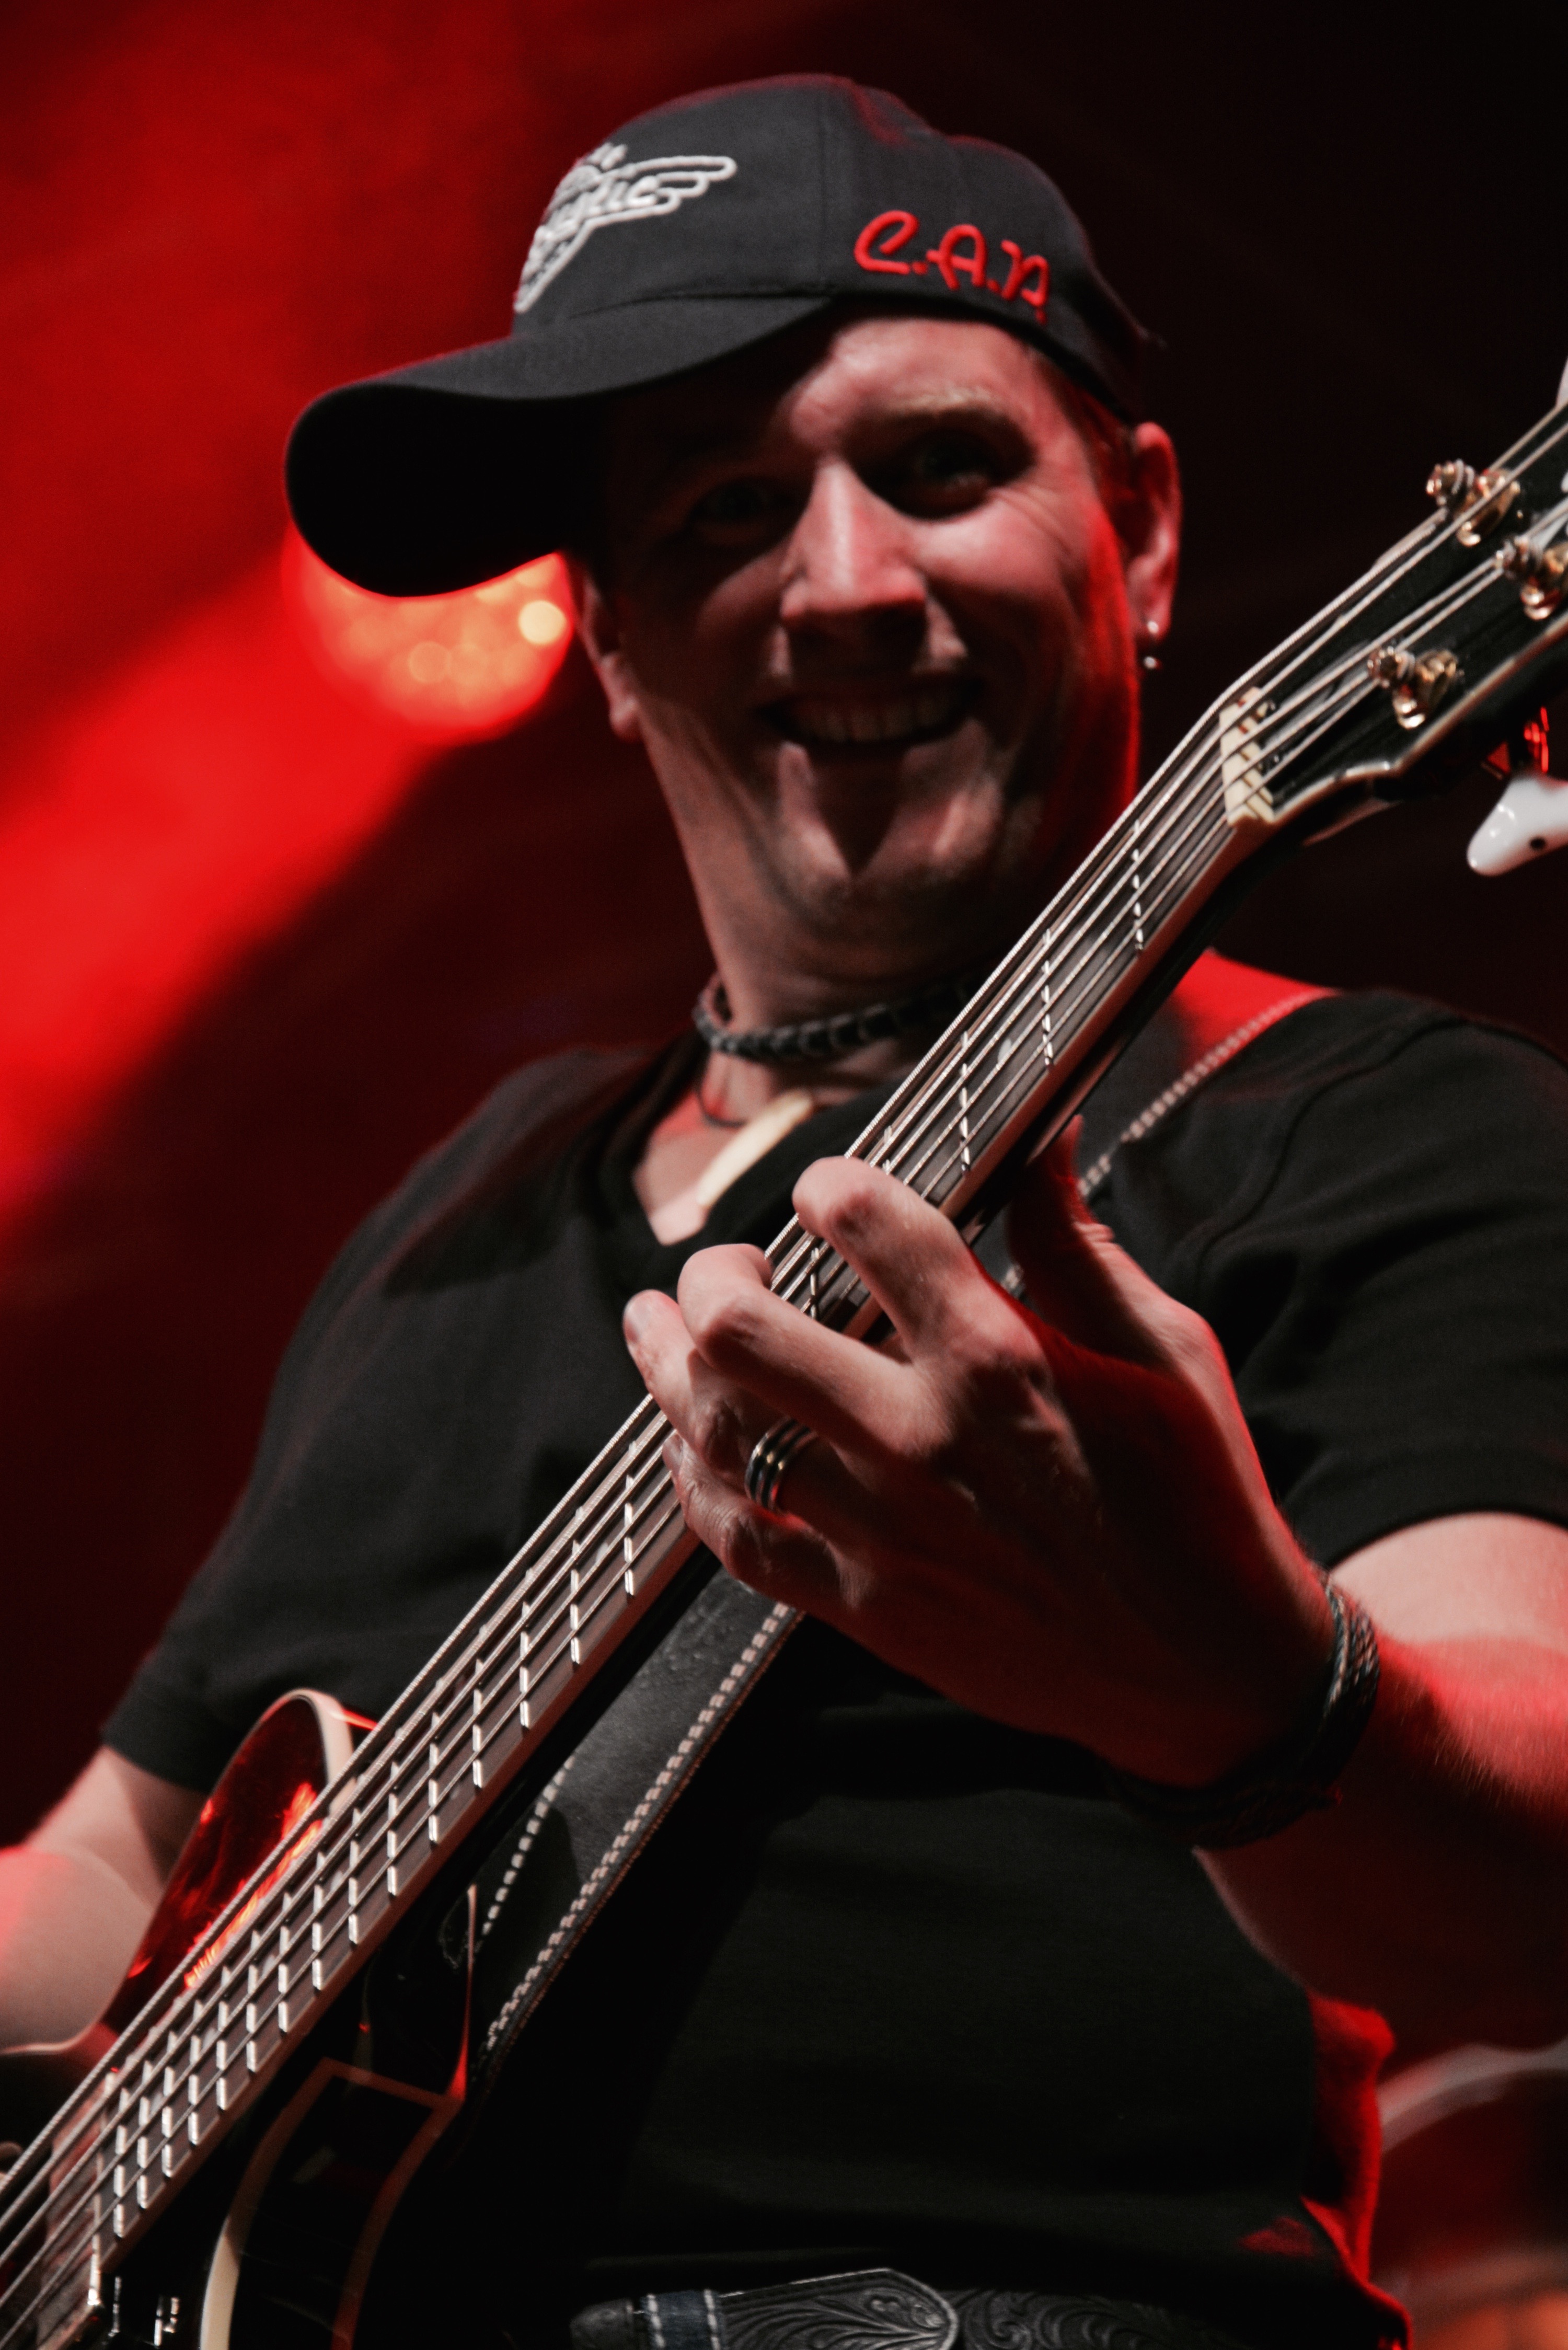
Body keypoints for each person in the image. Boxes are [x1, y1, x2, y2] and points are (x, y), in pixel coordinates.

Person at [4, 73, 1568, 2350]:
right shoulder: (474, 1198)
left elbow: (1524, 1902)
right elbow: (117, 1877)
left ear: (1140, 529)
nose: (845, 584)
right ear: (609, 633)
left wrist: (1246, 1691)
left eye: (935, 467)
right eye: (727, 506)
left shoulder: (1373, 1122)